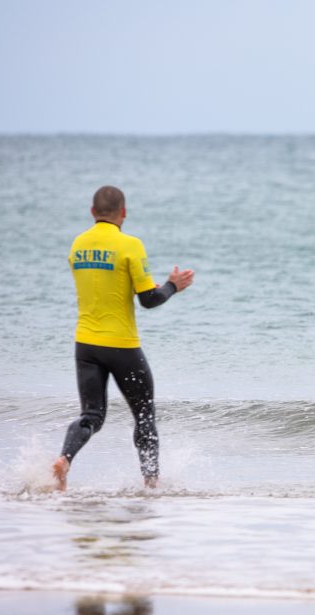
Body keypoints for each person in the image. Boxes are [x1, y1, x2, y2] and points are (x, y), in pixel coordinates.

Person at [52, 186, 194, 491]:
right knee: (144, 415)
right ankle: (151, 483)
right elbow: (149, 300)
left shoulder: (78, 244)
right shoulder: (130, 245)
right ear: (124, 213)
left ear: (92, 213)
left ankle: (64, 459)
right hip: (122, 346)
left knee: (91, 416)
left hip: (86, 345)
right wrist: (172, 286)